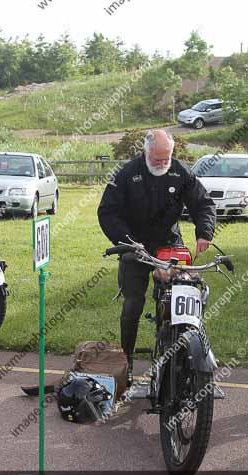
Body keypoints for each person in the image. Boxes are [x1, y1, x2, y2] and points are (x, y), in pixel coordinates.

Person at [98, 130, 216, 385]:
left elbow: (203, 203)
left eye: (167, 158)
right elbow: (107, 212)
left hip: (169, 244)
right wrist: (126, 241)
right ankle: (126, 362)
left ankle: (173, 352)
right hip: (134, 245)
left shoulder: (180, 172)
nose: (163, 164)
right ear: (146, 152)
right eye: (157, 159)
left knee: (177, 300)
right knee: (133, 305)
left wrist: (204, 232)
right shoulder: (127, 174)